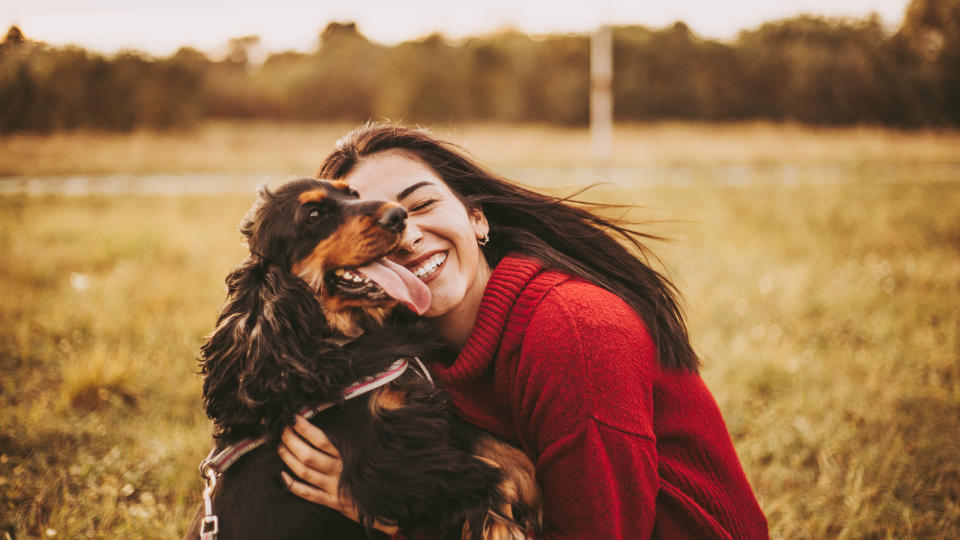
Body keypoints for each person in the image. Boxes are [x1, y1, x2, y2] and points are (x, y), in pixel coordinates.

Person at [277, 124, 769, 539]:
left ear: (476, 215)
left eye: (420, 205)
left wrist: (383, 512)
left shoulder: (574, 332)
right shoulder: (395, 354)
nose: (404, 235)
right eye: (375, 227)